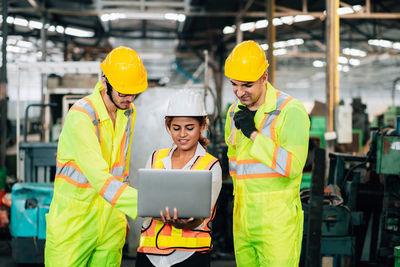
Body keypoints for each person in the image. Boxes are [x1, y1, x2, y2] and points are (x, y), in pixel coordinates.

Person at [45, 46, 148, 266]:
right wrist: (146, 205)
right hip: (76, 223)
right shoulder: (81, 116)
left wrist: (121, 215)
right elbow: (99, 176)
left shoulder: (128, 112)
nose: (129, 98)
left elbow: (122, 167)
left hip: (111, 221)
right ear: (104, 82)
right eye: (123, 92)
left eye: (134, 93)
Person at [224, 40, 310, 266]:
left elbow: (293, 167)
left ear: (264, 77)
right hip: (243, 221)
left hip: (277, 226)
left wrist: (253, 134)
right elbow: (235, 161)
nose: (239, 92)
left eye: (247, 85)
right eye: (234, 84)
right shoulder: (234, 111)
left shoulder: (290, 110)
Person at [136, 89, 222, 267]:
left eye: (189, 128)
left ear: (202, 126)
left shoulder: (211, 165)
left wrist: (186, 223)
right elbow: (145, 202)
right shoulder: (155, 158)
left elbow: (203, 217)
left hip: (189, 257)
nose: (182, 134)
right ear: (169, 127)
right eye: (176, 128)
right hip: (150, 255)